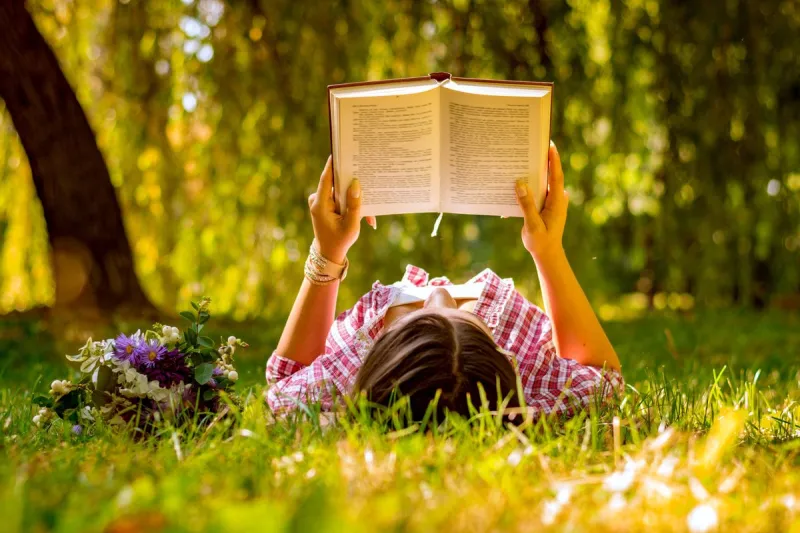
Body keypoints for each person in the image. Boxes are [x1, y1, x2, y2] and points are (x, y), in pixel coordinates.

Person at [266, 143, 622, 421]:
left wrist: (327, 253)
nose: (438, 291)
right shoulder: (524, 368)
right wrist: (548, 250)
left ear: (380, 355)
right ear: (502, 355)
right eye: (464, 313)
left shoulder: (349, 372)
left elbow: (285, 382)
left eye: (415, 318)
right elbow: (603, 380)